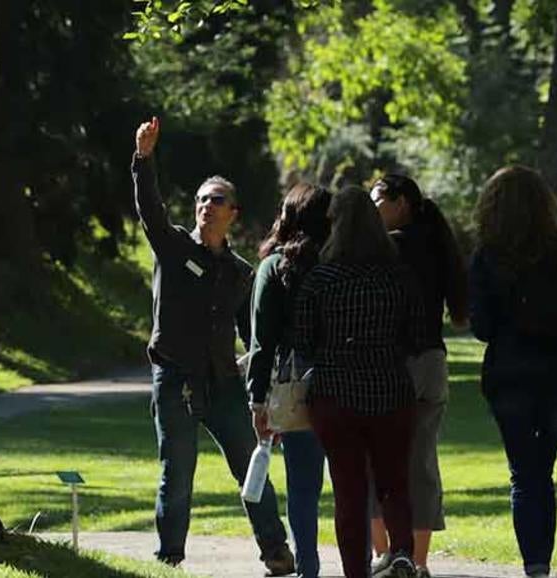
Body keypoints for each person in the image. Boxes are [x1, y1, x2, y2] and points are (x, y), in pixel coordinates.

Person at [129, 117, 296, 574]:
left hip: (223, 384)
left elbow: (254, 335)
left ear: (232, 213)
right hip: (175, 379)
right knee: (177, 474)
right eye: (202, 200)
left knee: (251, 467)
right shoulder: (174, 246)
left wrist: (260, 392)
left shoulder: (241, 272)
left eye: (216, 200)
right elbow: (150, 210)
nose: (206, 206)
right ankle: (169, 559)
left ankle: (276, 551)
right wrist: (143, 159)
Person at [271, 186, 423, 578]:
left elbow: (303, 341)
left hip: (336, 395)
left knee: (349, 491)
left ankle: (355, 569)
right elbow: (416, 334)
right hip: (390, 389)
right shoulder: (400, 276)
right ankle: (403, 552)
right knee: (394, 481)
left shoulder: (321, 279)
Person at [465, 167, 557, 578]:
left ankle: (533, 563)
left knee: (523, 473)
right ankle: (542, 562)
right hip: (555, 372)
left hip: (510, 373)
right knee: (543, 472)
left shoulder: (488, 255)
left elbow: (481, 325)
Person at [366, 174, 468, 574]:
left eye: (378, 203)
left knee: (376, 460)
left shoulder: (389, 249)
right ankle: (419, 561)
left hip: (397, 365)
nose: (374, 212)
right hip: (433, 364)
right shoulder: (439, 245)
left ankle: (385, 553)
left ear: (401, 202)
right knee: (421, 464)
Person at [248, 182, 335, 578]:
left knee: (302, 487)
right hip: (348, 376)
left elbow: (261, 341)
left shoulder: (275, 267)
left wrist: (257, 399)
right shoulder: (341, 264)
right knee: (354, 482)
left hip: (295, 384)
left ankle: (309, 568)